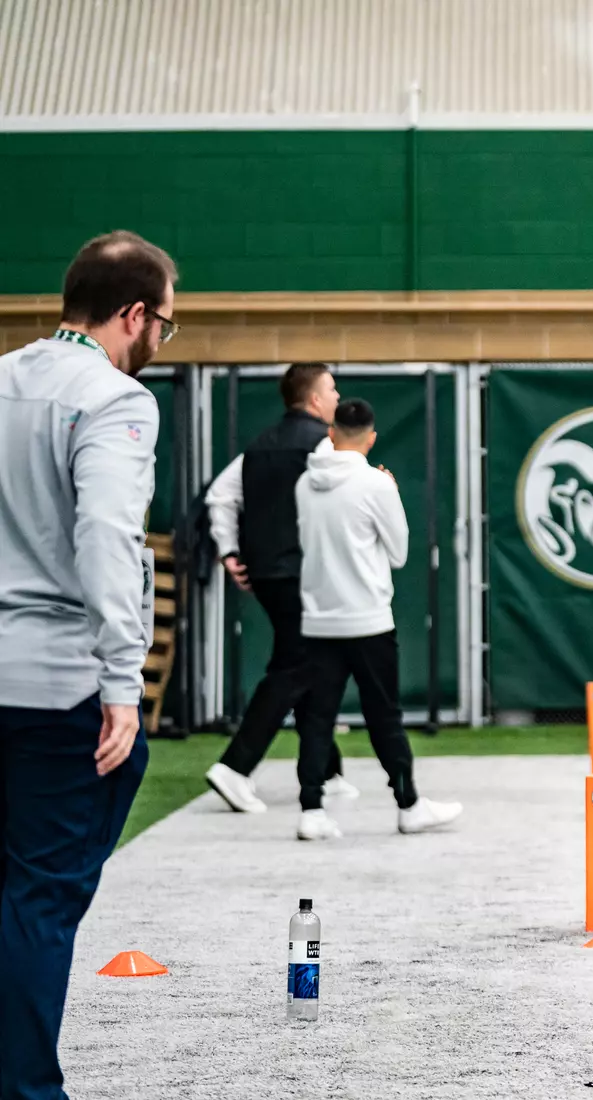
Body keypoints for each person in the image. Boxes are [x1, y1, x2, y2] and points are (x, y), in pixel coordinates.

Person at [0, 230, 175, 1099]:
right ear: (134, 315)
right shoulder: (116, 400)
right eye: (165, 328)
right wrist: (122, 682)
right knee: (39, 897)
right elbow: (106, 534)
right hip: (56, 680)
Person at [291, 397, 461, 840]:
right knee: (385, 715)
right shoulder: (377, 485)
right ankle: (409, 805)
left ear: (331, 433)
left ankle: (311, 811)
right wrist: (392, 493)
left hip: (319, 621)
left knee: (317, 717)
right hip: (368, 621)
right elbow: (400, 554)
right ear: (371, 438)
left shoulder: (305, 484)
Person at [202, 362, 354, 813]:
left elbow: (220, 495)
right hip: (306, 575)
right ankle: (235, 767)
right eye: (331, 388)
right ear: (313, 400)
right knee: (296, 666)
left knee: (307, 663)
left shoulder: (258, 447)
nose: (336, 396)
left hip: (267, 575)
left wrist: (230, 552)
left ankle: (326, 771)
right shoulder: (325, 446)